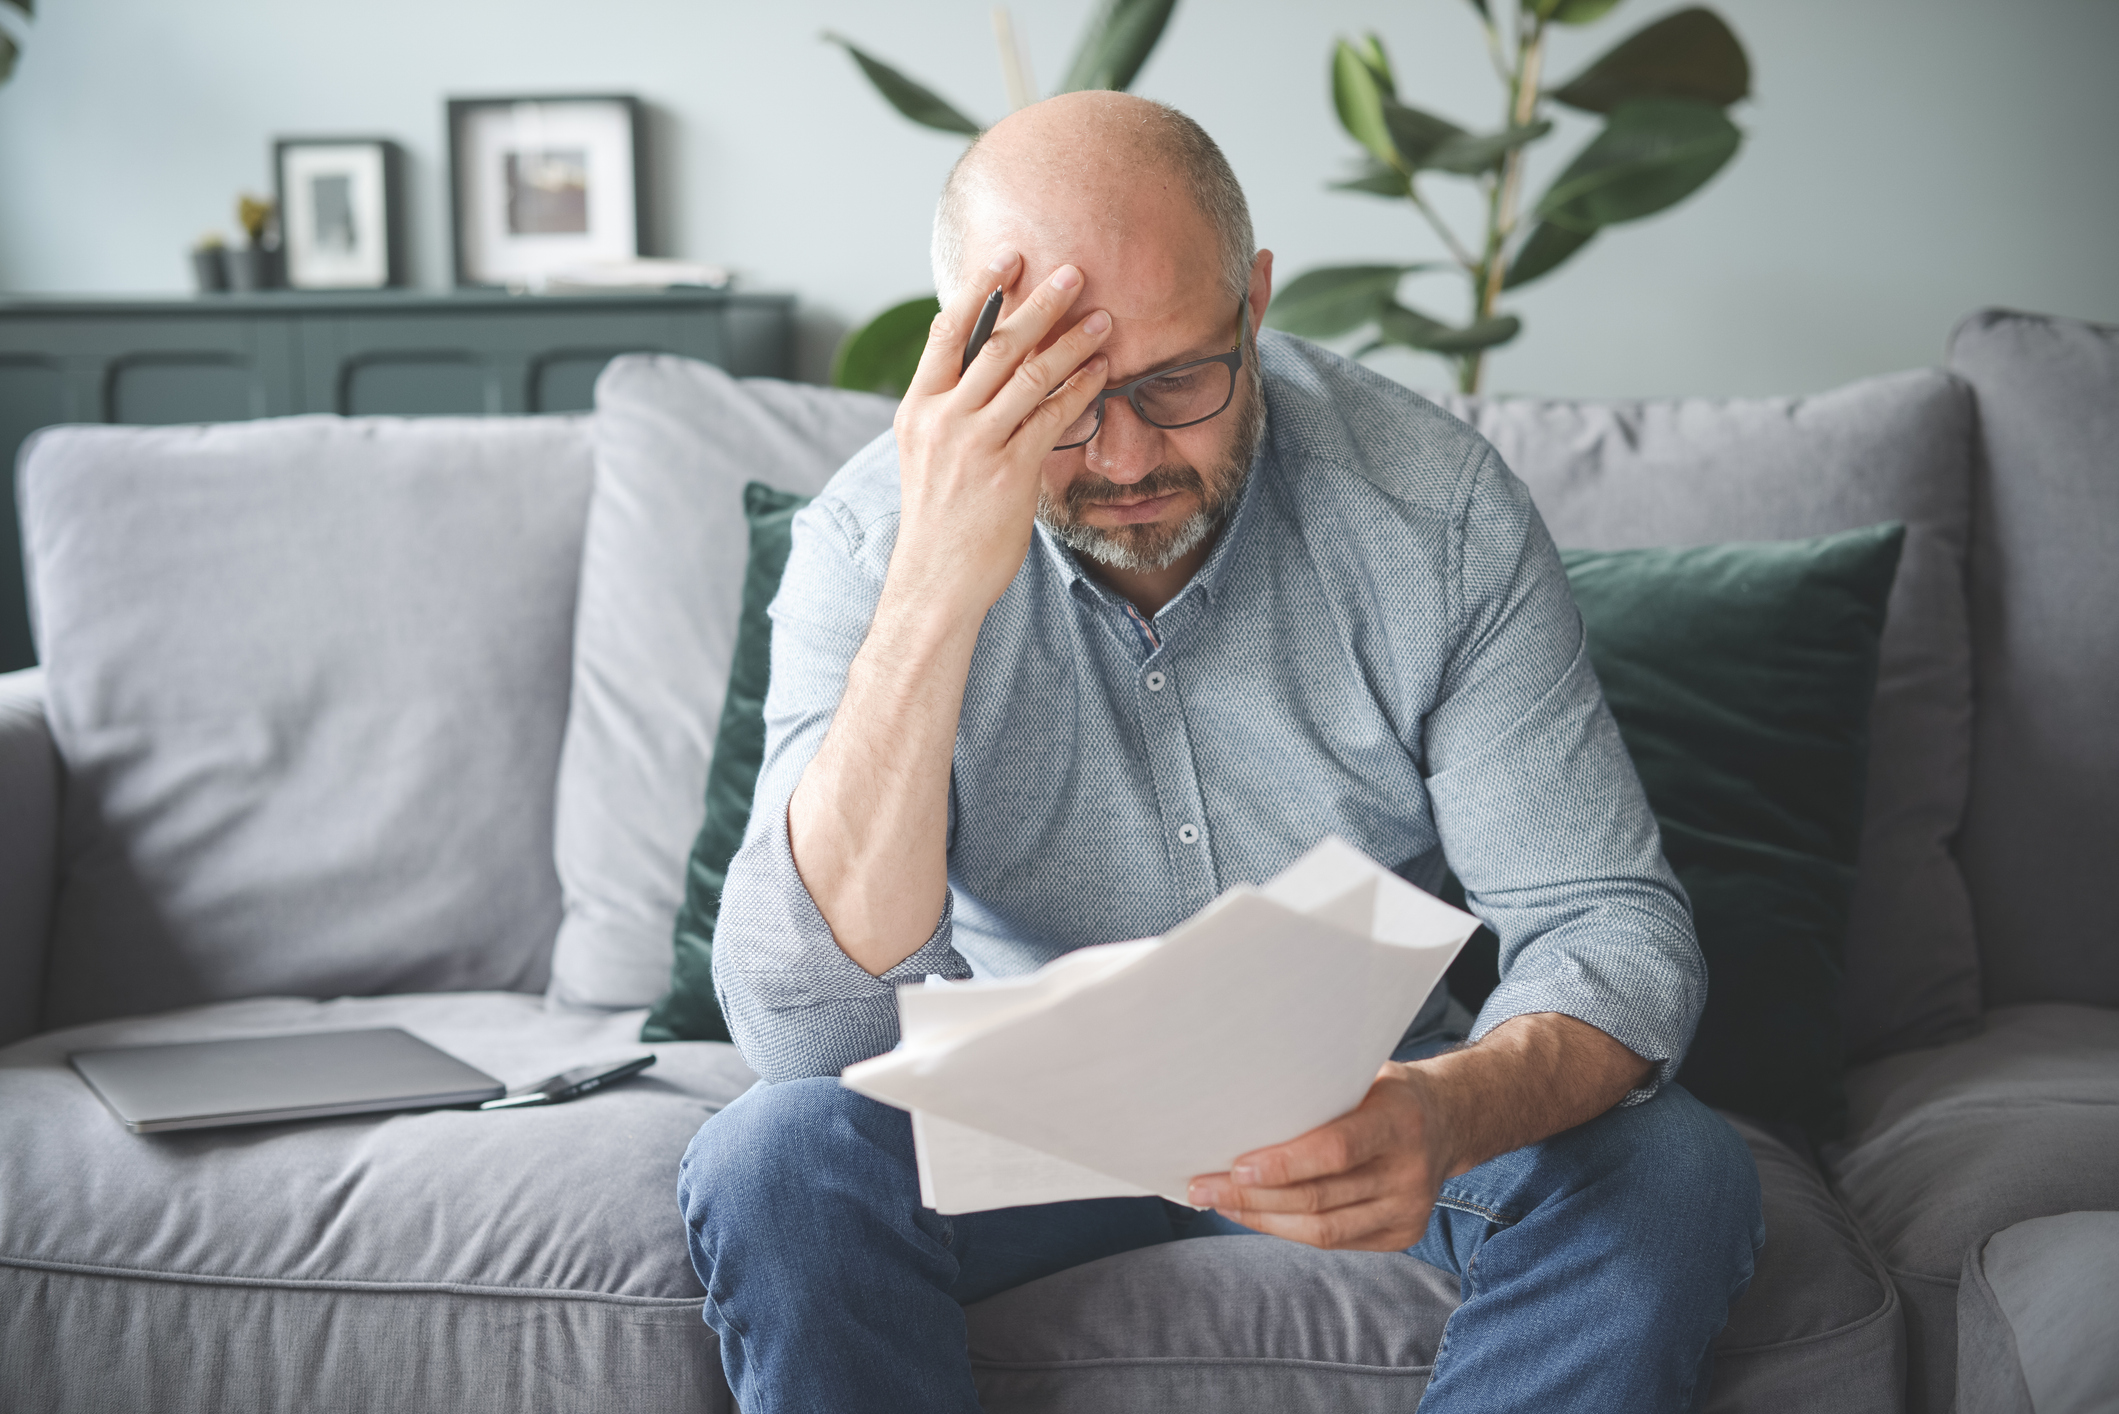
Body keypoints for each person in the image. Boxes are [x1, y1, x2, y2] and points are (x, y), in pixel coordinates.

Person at [678, 91, 1763, 1413]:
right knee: (775, 1155)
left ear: (1253, 300)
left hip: (1360, 1097)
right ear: (964, 362)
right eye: (1060, 399)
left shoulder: (1434, 511)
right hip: (1016, 1124)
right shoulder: (872, 540)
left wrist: (1446, 1110)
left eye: (1178, 379)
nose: (1126, 455)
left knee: (1675, 1173)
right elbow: (805, 1030)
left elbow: (1610, 922)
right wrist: (935, 594)